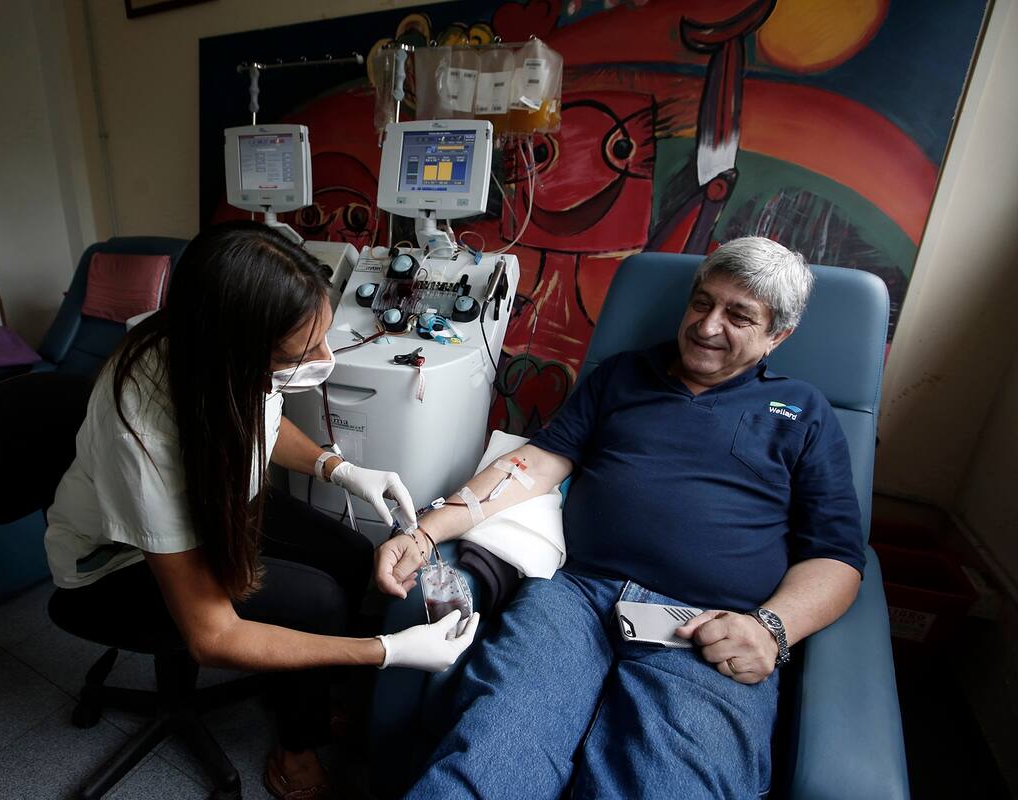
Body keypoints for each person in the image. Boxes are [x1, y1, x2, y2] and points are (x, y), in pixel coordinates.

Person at [375, 237, 865, 798]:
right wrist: (424, 531)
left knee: (668, 784)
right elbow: (533, 465)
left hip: (704, 627)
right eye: (702, 303)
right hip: (576, 599)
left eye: (738, 316)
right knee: (491, 750)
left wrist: (771, 629)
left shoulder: (803, 413)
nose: (707, 326)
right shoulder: (623, 376)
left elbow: (839, 557)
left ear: (778, 335)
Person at [44, 221, 479, 800]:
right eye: (305, 353)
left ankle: (316, 697)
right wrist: (388, 653)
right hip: (116, 565)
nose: (325, 358)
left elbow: (262, 422)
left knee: (352, 555)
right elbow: (212, 636)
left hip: (211, 500)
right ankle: (295, 748)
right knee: (314, 604)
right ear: (242, 350)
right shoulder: (145, 434)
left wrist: (338, 468)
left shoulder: (216, 350)